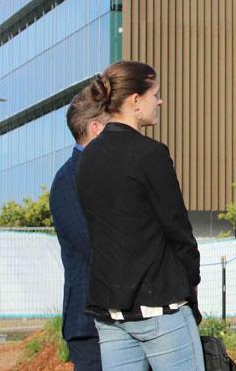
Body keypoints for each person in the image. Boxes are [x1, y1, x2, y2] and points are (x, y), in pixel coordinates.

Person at [76, 61, 204, 371]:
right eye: (155, 94)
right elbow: (178, 231)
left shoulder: (88, 157)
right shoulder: (151, 154)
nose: (159, 101)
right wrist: (191, 285)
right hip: (160, 306)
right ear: (135, 101)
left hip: (110, 310)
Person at [48, 91, 109, 371]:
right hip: (90, 324)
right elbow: (92, 245)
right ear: (95, 128)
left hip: (116, 318)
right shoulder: (67, 180)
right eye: (114, 123)